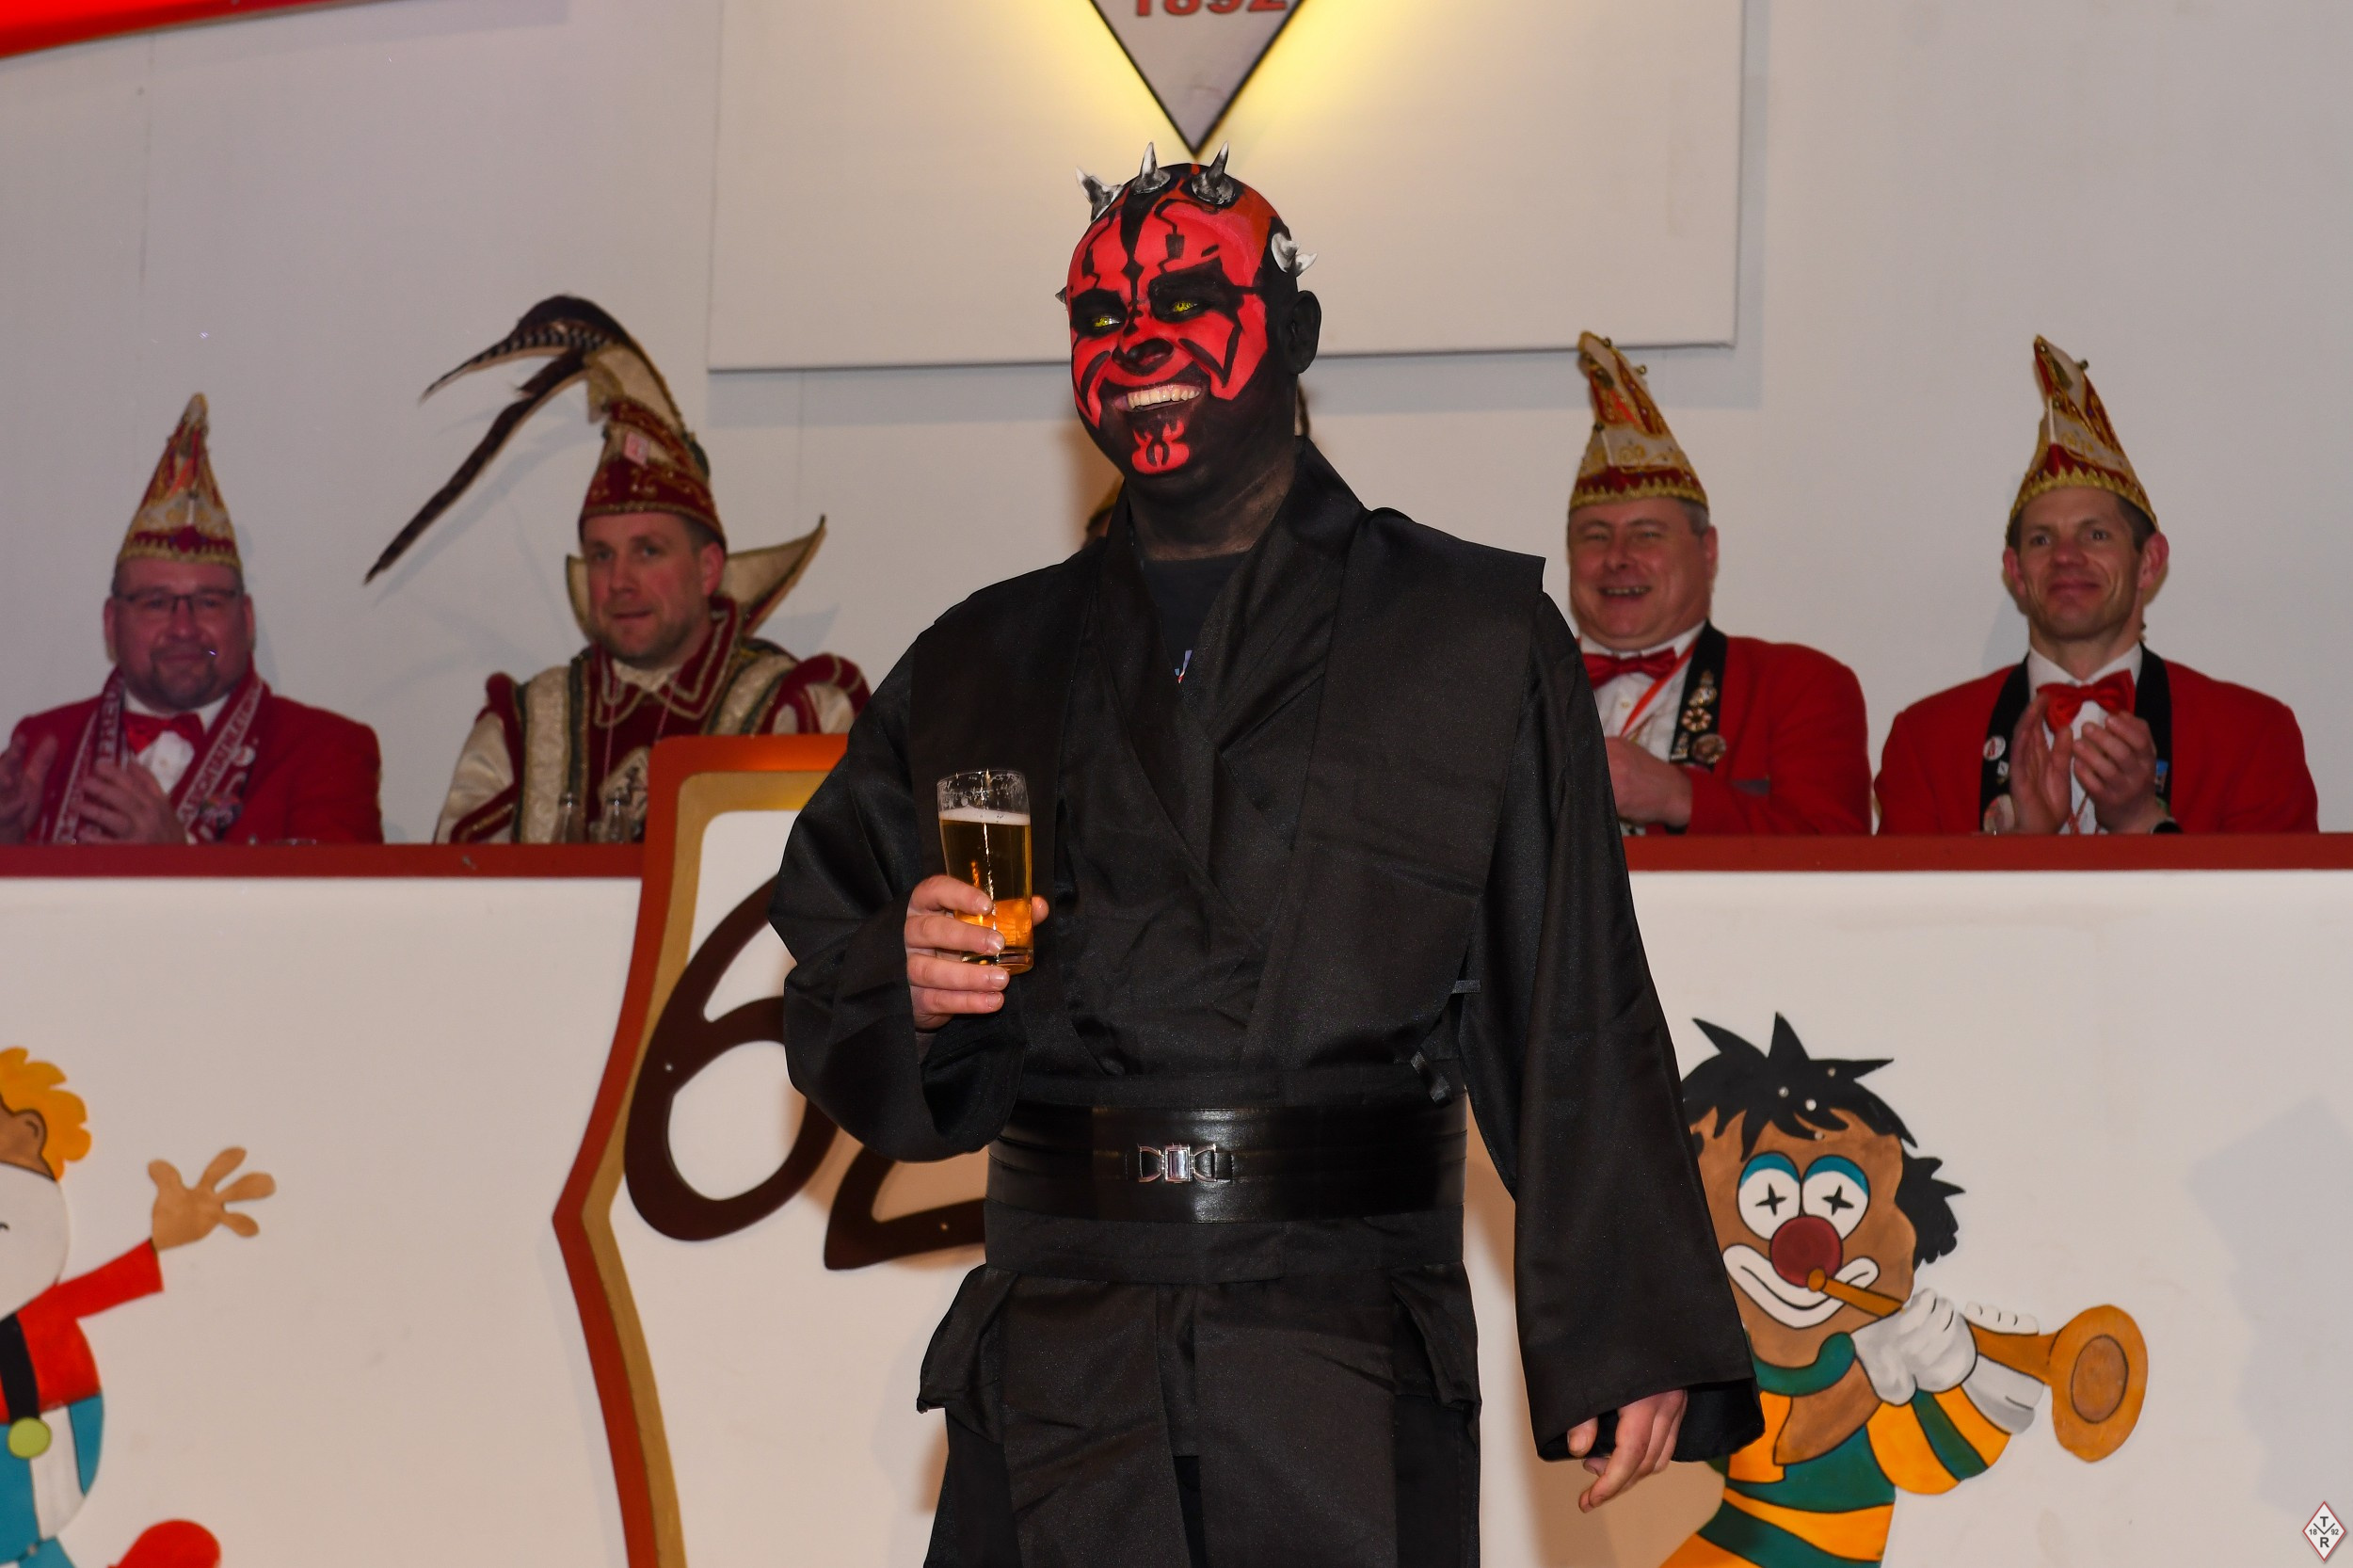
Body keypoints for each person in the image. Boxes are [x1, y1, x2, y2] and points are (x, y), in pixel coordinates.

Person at [772, 146, 1759, 1567]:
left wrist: (1628, 1325)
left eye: (1187, 301)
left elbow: (1572, 1003)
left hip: (1341, 1345)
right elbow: (836, 934)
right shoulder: (985, 652)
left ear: (1292, 333)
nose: (1139, 347)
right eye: (1100, 318)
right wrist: (905, 979)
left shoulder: (1471, 636)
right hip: (1058, 1356)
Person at [367, 297, 869, 844]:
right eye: (602, 555)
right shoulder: (521, 729)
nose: (620, 581)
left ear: (707, 569)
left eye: (648, 551)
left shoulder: (796, 712)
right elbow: (460, 885)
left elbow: (847, 877)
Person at [1877, 338, 2316, 833]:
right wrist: (2022, 851)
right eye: (2042, 539)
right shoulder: (1926, 742)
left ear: (2149, 562)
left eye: (2097, 535)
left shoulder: (2251, 735)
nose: (2066, 556)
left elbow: (2274, 887)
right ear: (2016, 572)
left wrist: (2141, 822)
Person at [0, 396, 383, 846]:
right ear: (111, 622)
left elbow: (338, 894)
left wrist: (177, 860)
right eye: (156, 603)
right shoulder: (44, 746)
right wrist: (8, 848)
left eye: (209, 602)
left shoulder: (328, 751)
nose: (184, 629)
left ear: (246, 619)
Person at [1567, 334, 1870, 834]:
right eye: (1595, 536)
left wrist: (1680, 797)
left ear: (1707, 552)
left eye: (1647, 534)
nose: (1617, 558)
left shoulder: (1797, 687)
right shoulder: (1506, 696)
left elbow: (1834, 857)